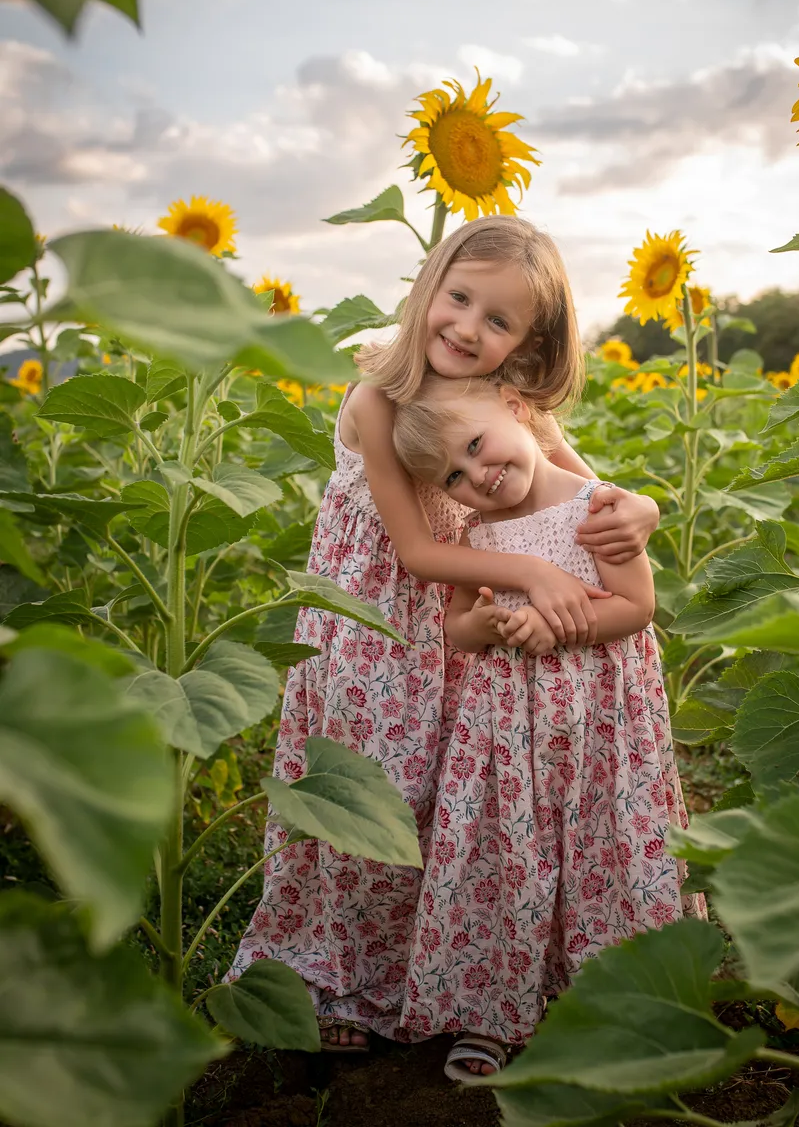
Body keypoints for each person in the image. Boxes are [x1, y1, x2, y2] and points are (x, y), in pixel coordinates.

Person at [227, 215, 661, 1051]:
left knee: (446, 794)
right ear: (431, 286)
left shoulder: (512, 404)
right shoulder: (377, 399)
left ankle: (434, 969)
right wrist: (533, 574)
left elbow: (583, 485)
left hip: (467, 621)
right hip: (375, 619)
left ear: (526, 342)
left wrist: (641, 506)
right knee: (371, 786)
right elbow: (420, 550)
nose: (468, 328)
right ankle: (339, 983)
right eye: (458, 299)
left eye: (498, 321)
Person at [391, 375, 704, 1083]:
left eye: (476, 446)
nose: (480, 475)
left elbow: (636, 606)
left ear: (515, 409)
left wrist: (551, 629)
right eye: (455, 476)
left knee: (606, 847)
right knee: (507, 855)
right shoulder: (476, 536)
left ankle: (620, 1008)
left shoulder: (598, 508)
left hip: (598, 726)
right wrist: (490, 622)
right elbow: (458, 627)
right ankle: (492, 1011)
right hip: (508, 733)